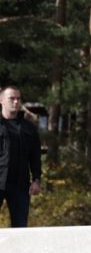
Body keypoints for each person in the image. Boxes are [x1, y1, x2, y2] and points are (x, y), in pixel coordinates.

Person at [0, 86, 43, 228]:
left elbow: (35, 156)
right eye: (11, 98)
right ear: (1, 100)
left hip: (20, 185)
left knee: (20, 228)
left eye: (18, 98)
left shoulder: (28, 128)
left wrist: (36, 179)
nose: (16, 102)